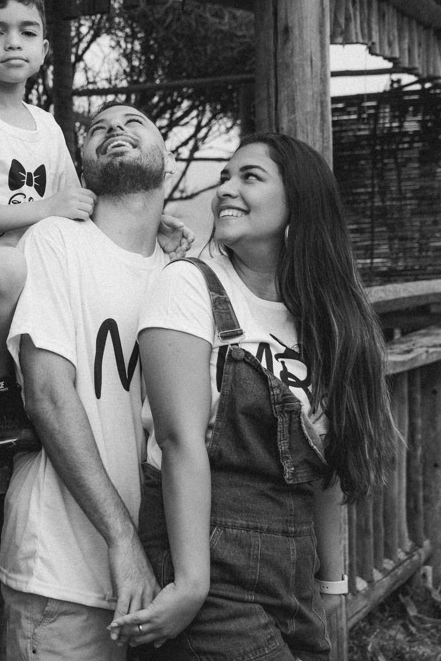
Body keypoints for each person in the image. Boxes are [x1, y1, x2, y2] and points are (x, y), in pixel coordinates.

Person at [113, 133, 398, 660]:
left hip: (295, 570)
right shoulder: (189, 286)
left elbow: (325, 466)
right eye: (225, 176)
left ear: (299, 201)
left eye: (250, 177)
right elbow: (179, 442)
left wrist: (332, 582)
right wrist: (193, 583)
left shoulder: (324, 319)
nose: (227, 189)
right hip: (208, 557)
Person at [0, 0, 191, 452]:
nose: (12, 43)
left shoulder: (45, 125)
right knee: (5, 266)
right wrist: (45, 208)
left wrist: (149, 222)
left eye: (26, 32)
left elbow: (77, 202)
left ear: (44, 49)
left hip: (24, 278)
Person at [0, 102, 177, 661]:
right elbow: (48, 394)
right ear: (83, 164)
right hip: (64, 571)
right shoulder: (57, 242)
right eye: (98, 128)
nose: (115, 130)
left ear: (166, 158)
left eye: (133, 123)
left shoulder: (181, 275)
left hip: (162, 582)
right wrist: (121, 540)